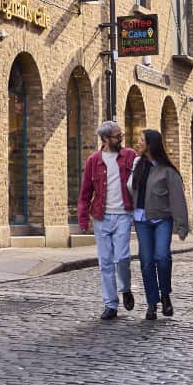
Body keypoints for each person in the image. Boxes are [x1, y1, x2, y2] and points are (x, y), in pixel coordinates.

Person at [76, 120, 138, 321]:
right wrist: (83, 219)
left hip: (123, 214)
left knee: (122, 258)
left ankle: (126, 288)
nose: (121, 139)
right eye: (117, 136)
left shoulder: (129, 155)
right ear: (104, 139)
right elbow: (85, 192)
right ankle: (110, 304)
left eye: (121, 135)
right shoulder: (94, 160)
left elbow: (139, 183)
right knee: (105, 262)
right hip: (101, 217)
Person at [131, 127, 191, 320]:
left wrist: (182, 226)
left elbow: (177, 199)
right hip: (141, 220)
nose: (138, 142)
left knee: (162, 257)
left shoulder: (167, 171)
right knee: (146, 262)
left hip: (162, 219)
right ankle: (151, 303)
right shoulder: (137, 165)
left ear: (151, 144)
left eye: (141, 140)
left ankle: (165, 294)